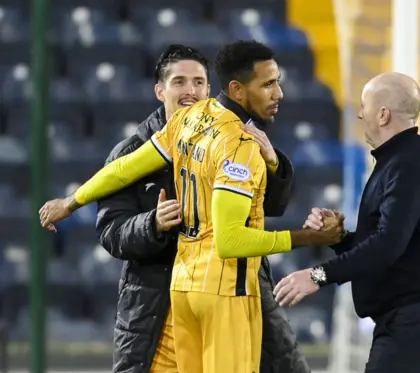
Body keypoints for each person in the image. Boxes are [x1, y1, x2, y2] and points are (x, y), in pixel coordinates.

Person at [38, 40, 343, 373]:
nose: (279, 93)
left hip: (184, 287)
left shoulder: (188, 121)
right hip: (222, 292)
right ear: (238, 90)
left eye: (198, 82)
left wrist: (71, 201)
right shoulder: (238, 144)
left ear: (211, 87)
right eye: (269, 84)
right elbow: (230, 242)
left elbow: (125, 169)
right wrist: (305, 238)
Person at [95, 44, 310, 373]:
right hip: (156, 309)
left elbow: (273, 206)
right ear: (160, 90)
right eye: (179, 82)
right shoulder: (131, 152)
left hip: (228, 292)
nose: (190, 90)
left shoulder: (236, 136)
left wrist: (276, 165)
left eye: (198, 82)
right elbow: (111, 232)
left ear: (210, 88)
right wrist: (151, 224)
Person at [275, 72, 420, 373]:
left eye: (364, 105)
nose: (360, 114)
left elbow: (388, 244)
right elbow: (390, 247)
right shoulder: (398, 162)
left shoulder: (407, 165)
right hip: (416, 324)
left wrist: (318, 275)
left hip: (413, 325)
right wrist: (338, 239)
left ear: (383, 115)